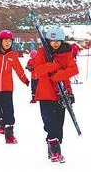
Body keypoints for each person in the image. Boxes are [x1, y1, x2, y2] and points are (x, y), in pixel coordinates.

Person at [32, 26, 78, 163]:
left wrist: (59, 75)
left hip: (61, 93)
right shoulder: (42, 52)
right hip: (46, 93)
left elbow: (73, 69)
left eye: (58, 40)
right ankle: (55, 150)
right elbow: (38, 70)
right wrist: (55, 66)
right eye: (52, 40)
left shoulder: (66, 52)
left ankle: (54, 148)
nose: (56, 43)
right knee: (49, 123)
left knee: (59, 123)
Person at [0, 30, 30, 144]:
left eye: (10, 40)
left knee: (9, 111)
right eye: (5, 40)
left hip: (7, 89)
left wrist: (25, 80)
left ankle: (9, 135)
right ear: (0, 41)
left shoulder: (12, 55)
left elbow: (18, 69)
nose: (8, 43)